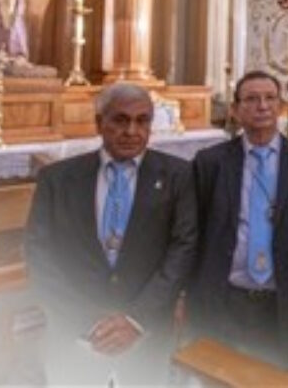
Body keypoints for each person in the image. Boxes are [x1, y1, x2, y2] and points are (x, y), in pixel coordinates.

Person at [25, 82, 196, 385]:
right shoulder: (58, 179)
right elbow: (39, 254)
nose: (132, 130)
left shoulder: (178, 176)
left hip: (146, 333)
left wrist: (135, 319)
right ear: (99, 123)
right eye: (120, 119)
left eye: (142, 120)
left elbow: (182, 249)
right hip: (74, 334)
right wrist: (84, 320)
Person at [189, 70, 288, 366]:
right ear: (235, 110)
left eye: (269, 98)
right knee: (219, 375)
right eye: (251, 99)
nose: (262, 106)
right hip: (223, 296)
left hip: (279, 301)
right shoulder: (210, 163)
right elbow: (193, 232)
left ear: (281, 107)